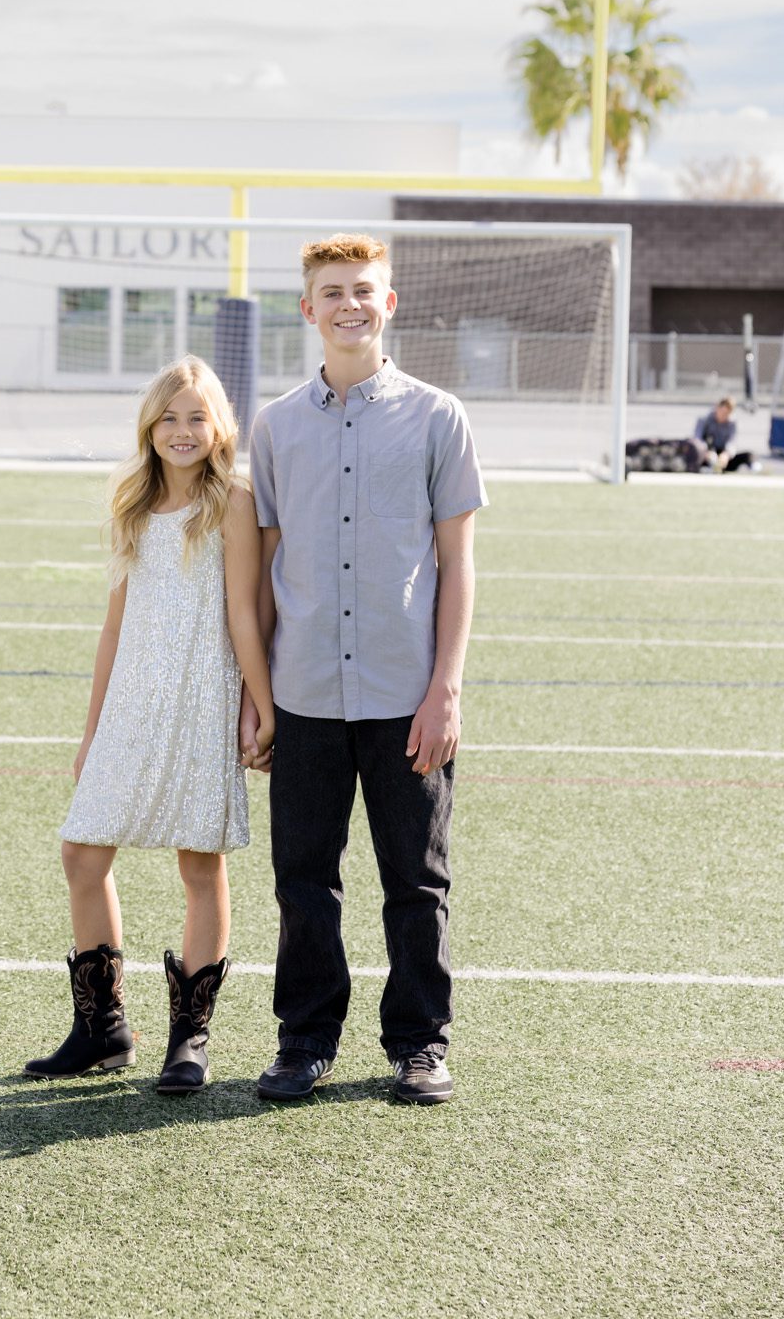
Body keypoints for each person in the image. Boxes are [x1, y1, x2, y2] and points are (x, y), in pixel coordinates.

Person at [241, 233, 486, 1106]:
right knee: (303, 881)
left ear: (390, 304)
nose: (349, 304)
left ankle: (420, 1044)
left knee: (416, 880)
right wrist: (254, 697)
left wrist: (444, 690)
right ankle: (304, 1040)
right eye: (331, 292)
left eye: (364, 290)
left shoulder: (437, 416)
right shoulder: (272, 428)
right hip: (304, 691)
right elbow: (264, 573)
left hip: (404, 694)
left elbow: (458, 565)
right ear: (307, 310)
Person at [25, 356, 275, 1094]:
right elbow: (114, 625)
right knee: (81, 853)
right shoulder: (133, 505)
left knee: (198, 863)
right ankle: (103, 1030)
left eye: (197, 416)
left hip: (202, 696)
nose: (182, 430)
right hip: (132, 702)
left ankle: (188, 1041)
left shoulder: (231, 502)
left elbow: (244, 615)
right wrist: (91, 727)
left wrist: (258, 706)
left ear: (220, 425)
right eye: (167, 417)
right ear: (148, 426)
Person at [694, 396, 756, 472]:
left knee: (749, 455)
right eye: (722, 412)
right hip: (706, 454)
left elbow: (732, 442)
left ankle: (755, 469)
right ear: (717, 408)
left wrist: (726, 455)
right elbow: (697, 439)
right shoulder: (704, 419)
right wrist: (706, 452)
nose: (724, 416)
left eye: (727, 414)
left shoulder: (732, 423)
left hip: (723, 457)